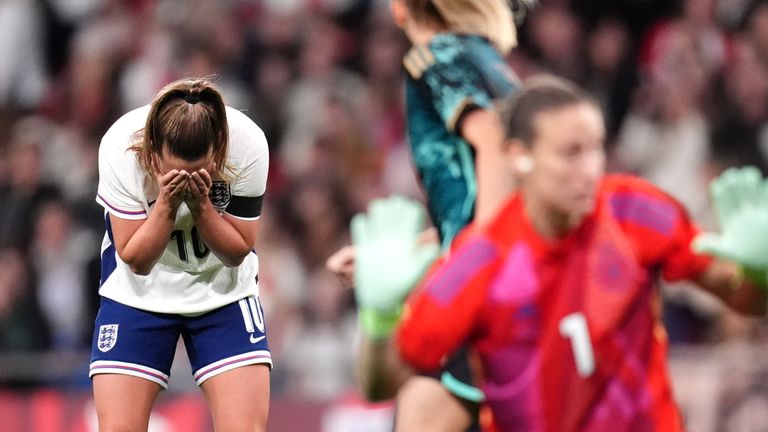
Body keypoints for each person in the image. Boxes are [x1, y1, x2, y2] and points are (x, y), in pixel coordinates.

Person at [349, 75, 768, 431]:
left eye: (595, 149)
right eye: (570, 153)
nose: (590, 170)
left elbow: (745, 299)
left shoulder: (635, 211)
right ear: (519, 157)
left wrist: (761, 271)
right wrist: (378, 319)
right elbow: (380, 385)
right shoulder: (479, 262)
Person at [327, 0, 531, 430]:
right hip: (518, 276)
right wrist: (410, 253)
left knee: (414, 400)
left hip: (488, 291)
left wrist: (480, 261)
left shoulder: (433, 57)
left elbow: (493, 144)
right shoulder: (490, 61)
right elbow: (487, 198)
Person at [90, 77, 271, 431]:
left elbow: (238, 251)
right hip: (136, 294)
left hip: (224, 290)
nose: (185, 178)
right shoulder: (120, 146)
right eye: (174, 172)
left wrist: (202, 205)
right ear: (153, 151)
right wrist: (167, 207)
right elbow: (136, 260)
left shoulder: (248, 144)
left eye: (199, 171)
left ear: (218, 149)